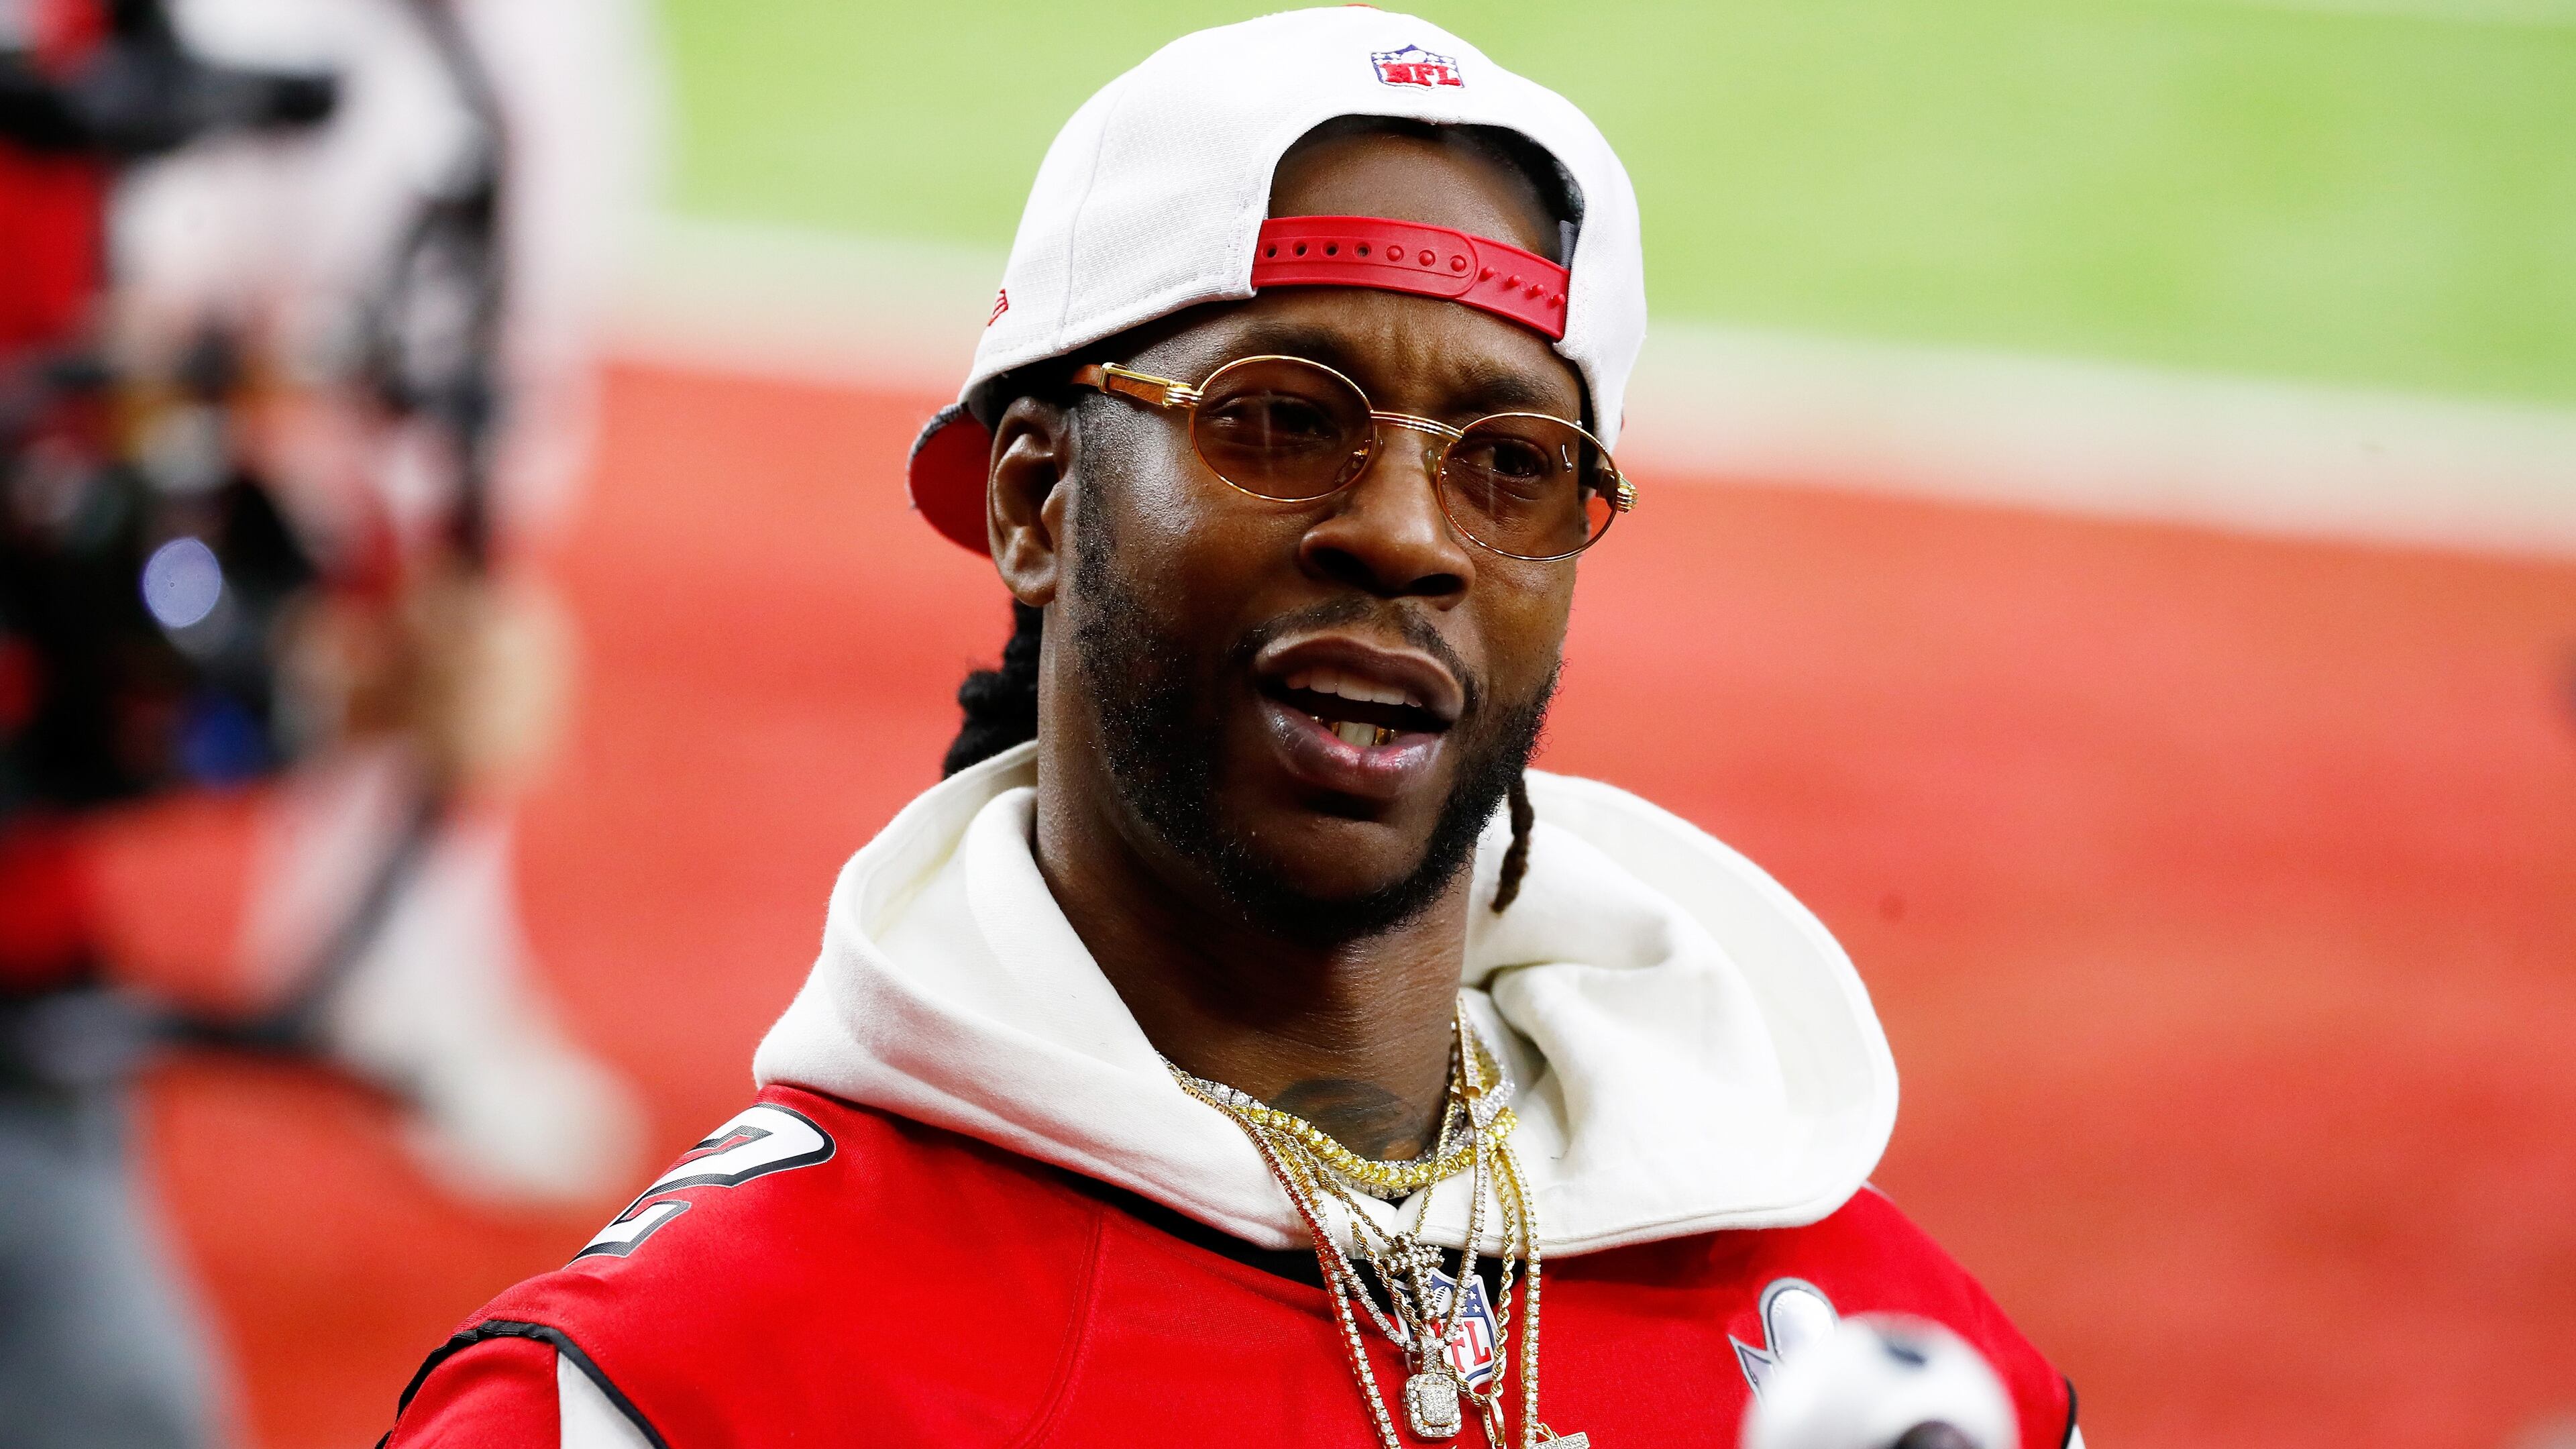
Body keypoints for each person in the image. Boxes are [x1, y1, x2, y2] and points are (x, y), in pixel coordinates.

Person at [380, 11, 2083, 1448]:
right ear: (1037, 499)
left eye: (1513, 465)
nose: (1407, 535)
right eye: (1276, 420)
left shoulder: (1875, 1348)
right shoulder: (693, 1390)